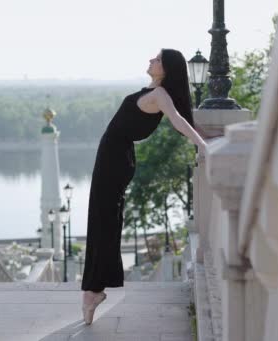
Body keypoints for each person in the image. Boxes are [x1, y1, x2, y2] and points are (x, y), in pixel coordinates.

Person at [80, 48, 208, 324]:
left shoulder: (160, 95)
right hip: (113, 156)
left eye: (158, 59)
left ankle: (92, 291)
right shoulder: (152, 91)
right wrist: (205, 137)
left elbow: (179, 121)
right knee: (104, 219)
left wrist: (204, 144)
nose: (152, 60)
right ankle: (94, 290)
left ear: (168, 69)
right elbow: (182, 119)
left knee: (103, 220)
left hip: (114, 159)